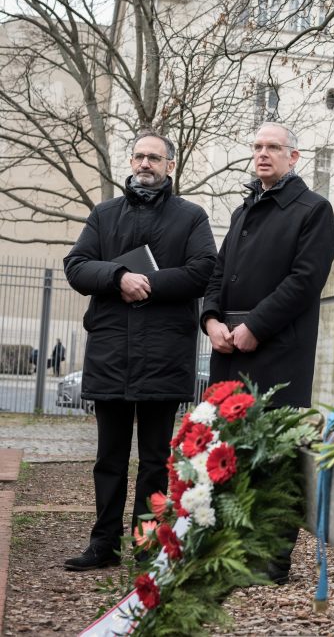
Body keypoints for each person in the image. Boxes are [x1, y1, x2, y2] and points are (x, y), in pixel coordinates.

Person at [63, 130, 216, 570]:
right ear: (130, 163)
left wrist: (146, 283)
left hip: (164, 358)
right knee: (108, 460)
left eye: (155, 157)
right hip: (111, 356)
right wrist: (117, 278)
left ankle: (147, 546)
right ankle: (103, 544)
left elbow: (203, 270)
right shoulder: (104, 214)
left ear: (170, 165)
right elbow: (76, 266)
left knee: (153, 461)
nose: (145, 164)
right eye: (139, 156)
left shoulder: (191, 217)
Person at [201, 121, 334, 582]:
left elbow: (305, 280)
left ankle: (275, 556)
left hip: (277, 349)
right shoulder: (243, 211)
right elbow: (218, 275)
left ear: (293, 157)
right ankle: (234, 545)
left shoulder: (313, 210)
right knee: (232, 450)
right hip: (229, 349)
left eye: (273, 147)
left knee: (277, 455)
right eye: (257, 147)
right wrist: (211, 320)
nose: (263, 154)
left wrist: (255, 326)